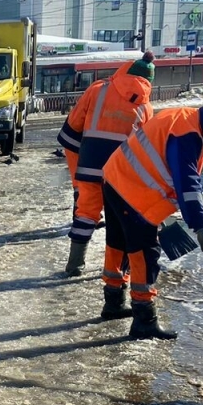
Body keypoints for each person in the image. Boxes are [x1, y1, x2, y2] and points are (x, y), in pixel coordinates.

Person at [102, 91, 203, 340]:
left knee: (117, 243)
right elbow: (188, 186)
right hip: (133, 191)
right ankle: (144, 320)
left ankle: (113, 302)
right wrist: (201, 228)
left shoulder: (183, 117)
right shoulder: (188, 136)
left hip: (115, 177)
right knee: (143, 253)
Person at [56, 61, 155, 323]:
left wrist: (77, 176)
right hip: (122, 175)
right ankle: (115, 282)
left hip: (90, 164)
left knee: (86, 213)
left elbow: (71, 131)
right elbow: (146, 150)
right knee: (119, 227)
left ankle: (75, 265)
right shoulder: (146, 106)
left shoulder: (98, 90)